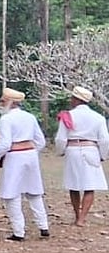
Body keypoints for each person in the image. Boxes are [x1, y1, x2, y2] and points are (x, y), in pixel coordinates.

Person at [0, 88, 50, 241]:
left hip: (15, 158)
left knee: (11, 194)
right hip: (31, 156)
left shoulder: (6, 119)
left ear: (11, 103)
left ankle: (19, 232)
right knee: (34, 192)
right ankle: (43, 226)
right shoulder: (30, 117)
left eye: (2, 101)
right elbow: (41, 142)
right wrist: (29, 151)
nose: (0, 104)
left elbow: (5, 144)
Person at [54, 86, 109, 226]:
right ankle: (82, 218)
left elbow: (61, 138)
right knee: (90, 185)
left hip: (73, 149)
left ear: (76, 100)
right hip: (91, 149)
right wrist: (103, 155)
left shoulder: (67, 115)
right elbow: (104, 139)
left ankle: (77, 214)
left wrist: (60, 151)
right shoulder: (98, 117)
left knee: (74, 185)